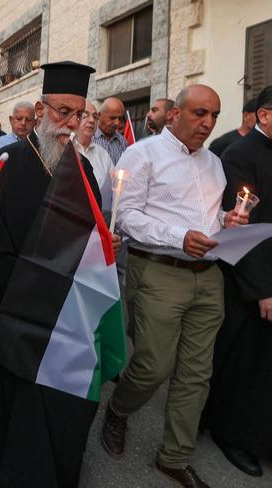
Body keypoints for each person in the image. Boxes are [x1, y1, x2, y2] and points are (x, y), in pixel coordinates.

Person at [0, 61, 121, 488]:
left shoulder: (84, 170)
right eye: (62, 111)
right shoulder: (9, 161)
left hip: (67, 320)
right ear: (41, 111)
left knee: (64, 411)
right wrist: (31, 284)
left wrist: (102, 249)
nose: (70, 123)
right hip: (16, 315)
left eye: (79, 114)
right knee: (20, 414)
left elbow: (89, 234)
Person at [101, 84, 248, 488]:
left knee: (197, 374)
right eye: (200, 113)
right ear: (175, 114)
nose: (208, 123)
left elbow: (210, 218)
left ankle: (174, 457)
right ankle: (118, 409)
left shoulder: (214, 164)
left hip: (209, 278)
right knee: (153, 366)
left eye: (214, 116)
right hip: (159, 272)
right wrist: (178, 235)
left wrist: (226, 224)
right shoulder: (141, 154)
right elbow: (126, 216)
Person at [201, 86, 272, 477]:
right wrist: (262, 288)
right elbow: (242, 230)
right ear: (263, 115)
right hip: (248, 276)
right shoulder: (240, 156)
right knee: (244, 362)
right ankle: (233, 435)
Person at [75, 100, 113, 192]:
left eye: (95, 117)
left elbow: (113, 185)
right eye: (85, 115)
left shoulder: (103, 155)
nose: (92, 120)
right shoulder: (64, 149)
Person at [93, 96, 128, 164]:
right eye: (112, 118)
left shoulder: (122, 141)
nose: (117, 123)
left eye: (120, 118)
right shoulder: (89, 139)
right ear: (99, 115)